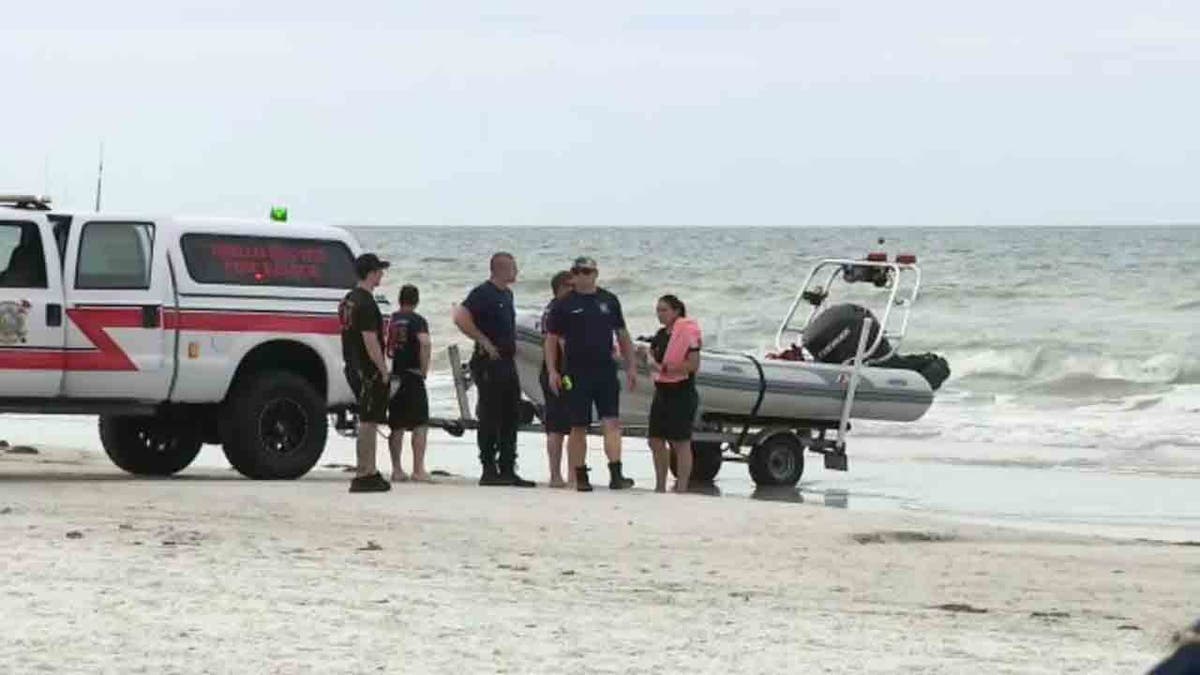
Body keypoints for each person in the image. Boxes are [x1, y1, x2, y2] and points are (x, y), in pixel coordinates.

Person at [545, 256, 637, 492]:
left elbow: (622, 334)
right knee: (578, 425)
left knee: (611, 422)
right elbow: (551, 339)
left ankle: (616, 473)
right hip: (575, 371)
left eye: (586, 271)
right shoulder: (564, 304)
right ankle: (580, 476)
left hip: (605, 369)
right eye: (577, 271)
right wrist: (553, 370)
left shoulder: (609, 300)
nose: (581, 275)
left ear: (595, 274)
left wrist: (631, 366)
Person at [453, 252, 535, 487]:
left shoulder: (507, 294)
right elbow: (460, 317)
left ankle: (508, 467)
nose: (516, 272)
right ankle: (488, 468)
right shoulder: (483, 293)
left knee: (511, 413)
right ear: (500, 269)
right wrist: (484, 342)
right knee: (490, 415)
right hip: (489, 362)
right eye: (513, 267)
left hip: (507, 361)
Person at [338, 253, 391, 493]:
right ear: (370, 273)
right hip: (366, 370)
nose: (381, 274)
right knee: (369, 422)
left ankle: (368, 469)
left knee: (366, 419)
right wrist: (382, 369)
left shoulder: (348, 300)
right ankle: (365, 472)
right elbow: (370, 340)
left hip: (351, 365)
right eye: (379, 270)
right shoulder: (367, 303)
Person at [643, 295, 702, 493]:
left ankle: (682, 486)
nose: (660, 314)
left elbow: (693, 365)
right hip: (661, 392)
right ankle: (660, 485)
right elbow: (651, 358)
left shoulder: (687, 333)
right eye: (658, 310)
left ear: (676, 311)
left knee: (680, 441)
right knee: (655, 440)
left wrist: (665, 368)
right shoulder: (660, 335)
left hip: (682, 391)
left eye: (664, 310)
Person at [386, 284, 432, 483]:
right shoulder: (418, 320)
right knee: (420, 423)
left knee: (397, 424)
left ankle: (396, 469)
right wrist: (424, 369)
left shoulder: (392, 320)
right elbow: (425, 342)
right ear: (416, 300)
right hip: (412, 375)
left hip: (395, 375)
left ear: (400, 299)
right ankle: (418, 469)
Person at [539, 270, 574, 488]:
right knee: (560, 426)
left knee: (563, 426)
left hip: (555, 371)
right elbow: (559, 343)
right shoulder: (558, 311)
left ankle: (564, 474)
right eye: (571, 285)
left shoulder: (553, 309)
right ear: (561, 287)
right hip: (560, 372)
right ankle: (559, 475)